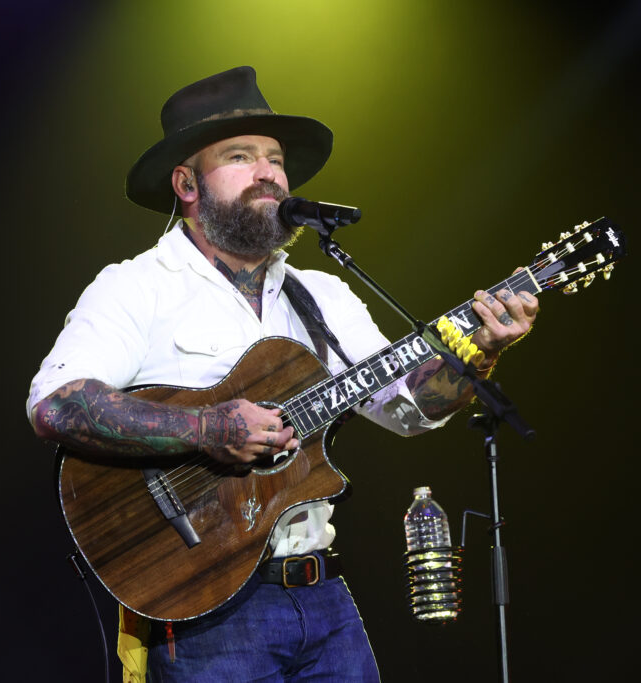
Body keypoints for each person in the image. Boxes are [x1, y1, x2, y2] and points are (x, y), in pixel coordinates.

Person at [27, 66, 538, 682]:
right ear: (186, 183)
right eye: (240, 156)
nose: (268, 171)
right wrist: (205, 428)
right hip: (204, 603)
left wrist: (479, 350)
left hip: (323, 593)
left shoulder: (321, 294)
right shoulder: (137, 286)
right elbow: (57, 405)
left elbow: (406, 407)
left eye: (275, 158)